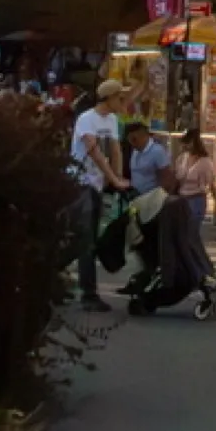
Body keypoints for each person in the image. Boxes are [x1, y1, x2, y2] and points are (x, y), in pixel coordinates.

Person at [68, 79, 130, 307]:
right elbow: (93, 150)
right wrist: (113, 178)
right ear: (108, 98)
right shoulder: (87, 119)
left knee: (83, 238)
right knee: (86, 239)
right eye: (119, 98)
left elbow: (115, 150)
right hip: (81, 181)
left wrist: (118, 177)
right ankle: (88, 293)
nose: (122, 102)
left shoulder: (112, 120)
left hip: (97, 184)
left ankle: (53, 278)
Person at [174, 127, 216, 237]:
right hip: (181, 200)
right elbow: (176, 178)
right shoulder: (182, 158)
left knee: (191, 235)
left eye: (187, 142)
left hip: (196, 200)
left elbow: (212, 185)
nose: (185, 146)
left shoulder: (205, 162)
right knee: (181, 235)